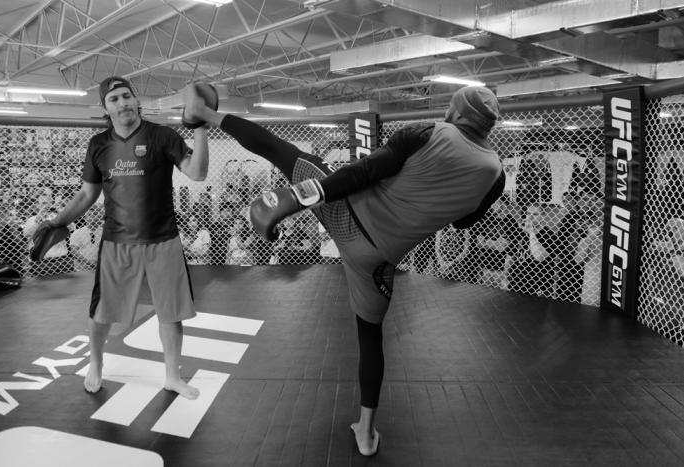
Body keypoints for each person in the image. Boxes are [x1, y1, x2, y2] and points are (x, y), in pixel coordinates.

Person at [197, 85, 504, 456]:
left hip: (344, 214)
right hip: (377, 264)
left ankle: (207, 115)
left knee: (282, 150)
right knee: (370, 338)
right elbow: (464, 223)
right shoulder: (496, 175)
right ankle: (366, 432)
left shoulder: (427, 133)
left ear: (455, 112)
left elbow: (364, 171)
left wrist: (297, 197)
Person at [30, 77, 210, 399]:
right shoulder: (98, 145)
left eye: (127, 96)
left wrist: (201, 127)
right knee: (102, 313)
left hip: (163, 239)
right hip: (117, 241)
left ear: (135, 99)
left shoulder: (162, 135)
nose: (122, 103)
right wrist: (57, 220)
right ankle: (96, 363)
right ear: (105, 107)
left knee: (171, 313)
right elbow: (87, 194)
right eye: (114, 99)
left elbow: (197, 173)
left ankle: (172, 376)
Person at [69, 203, 104, 270]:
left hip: (100, 266)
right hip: (81, 268)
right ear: (85, 217)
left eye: (94, 214)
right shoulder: (78, 232)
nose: (91, 217)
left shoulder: (103, 232)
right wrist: (89, 263)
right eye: (89, 215)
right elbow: (73, 251)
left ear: (99, 217)